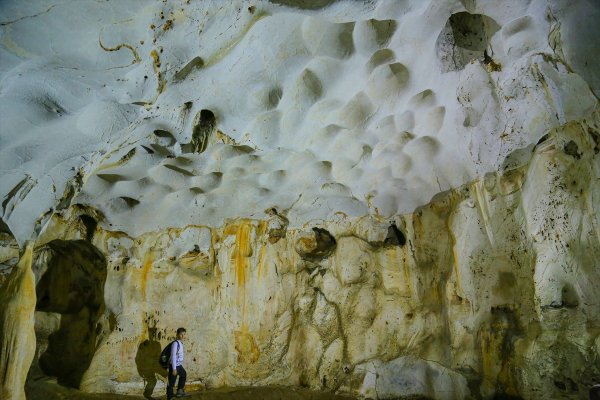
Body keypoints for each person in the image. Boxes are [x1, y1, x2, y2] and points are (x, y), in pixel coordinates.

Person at [167, 327, 187, 399]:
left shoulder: (180, 343)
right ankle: (170, 397)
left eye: (184, 334)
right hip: (174, 366)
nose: (183, 336)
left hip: (179, 365)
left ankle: (179, 390)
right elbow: (173, 356)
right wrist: (174, 368)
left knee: (183, 374)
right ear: (177, 334)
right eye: (181, 334)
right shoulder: (175, 344)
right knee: (171, 383)